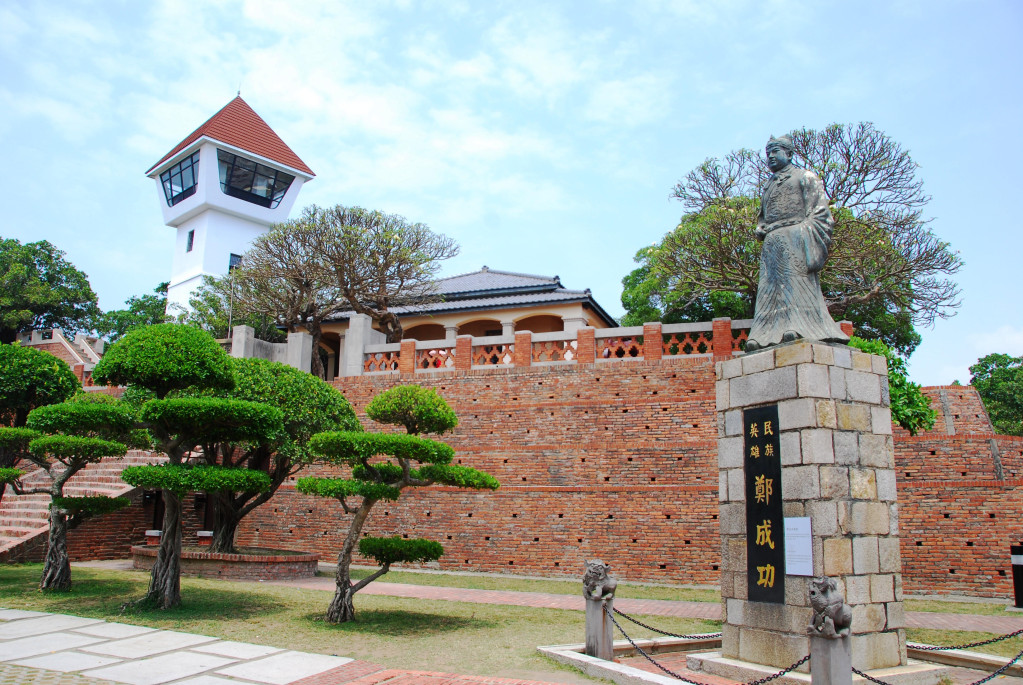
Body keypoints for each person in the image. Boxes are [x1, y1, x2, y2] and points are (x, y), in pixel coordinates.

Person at [745, 135, 849, 352]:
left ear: (789, 154)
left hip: (797, 239)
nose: (771, 156)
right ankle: (763, 335)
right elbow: (763, 217)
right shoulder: (768, 186)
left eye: (776, 151)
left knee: (795, 284)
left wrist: (803, 234)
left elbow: (821, 213)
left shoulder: (805, 177)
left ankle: (798, 328)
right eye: (768, 153)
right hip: (772, 244)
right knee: (768, 290)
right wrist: (761, 228)